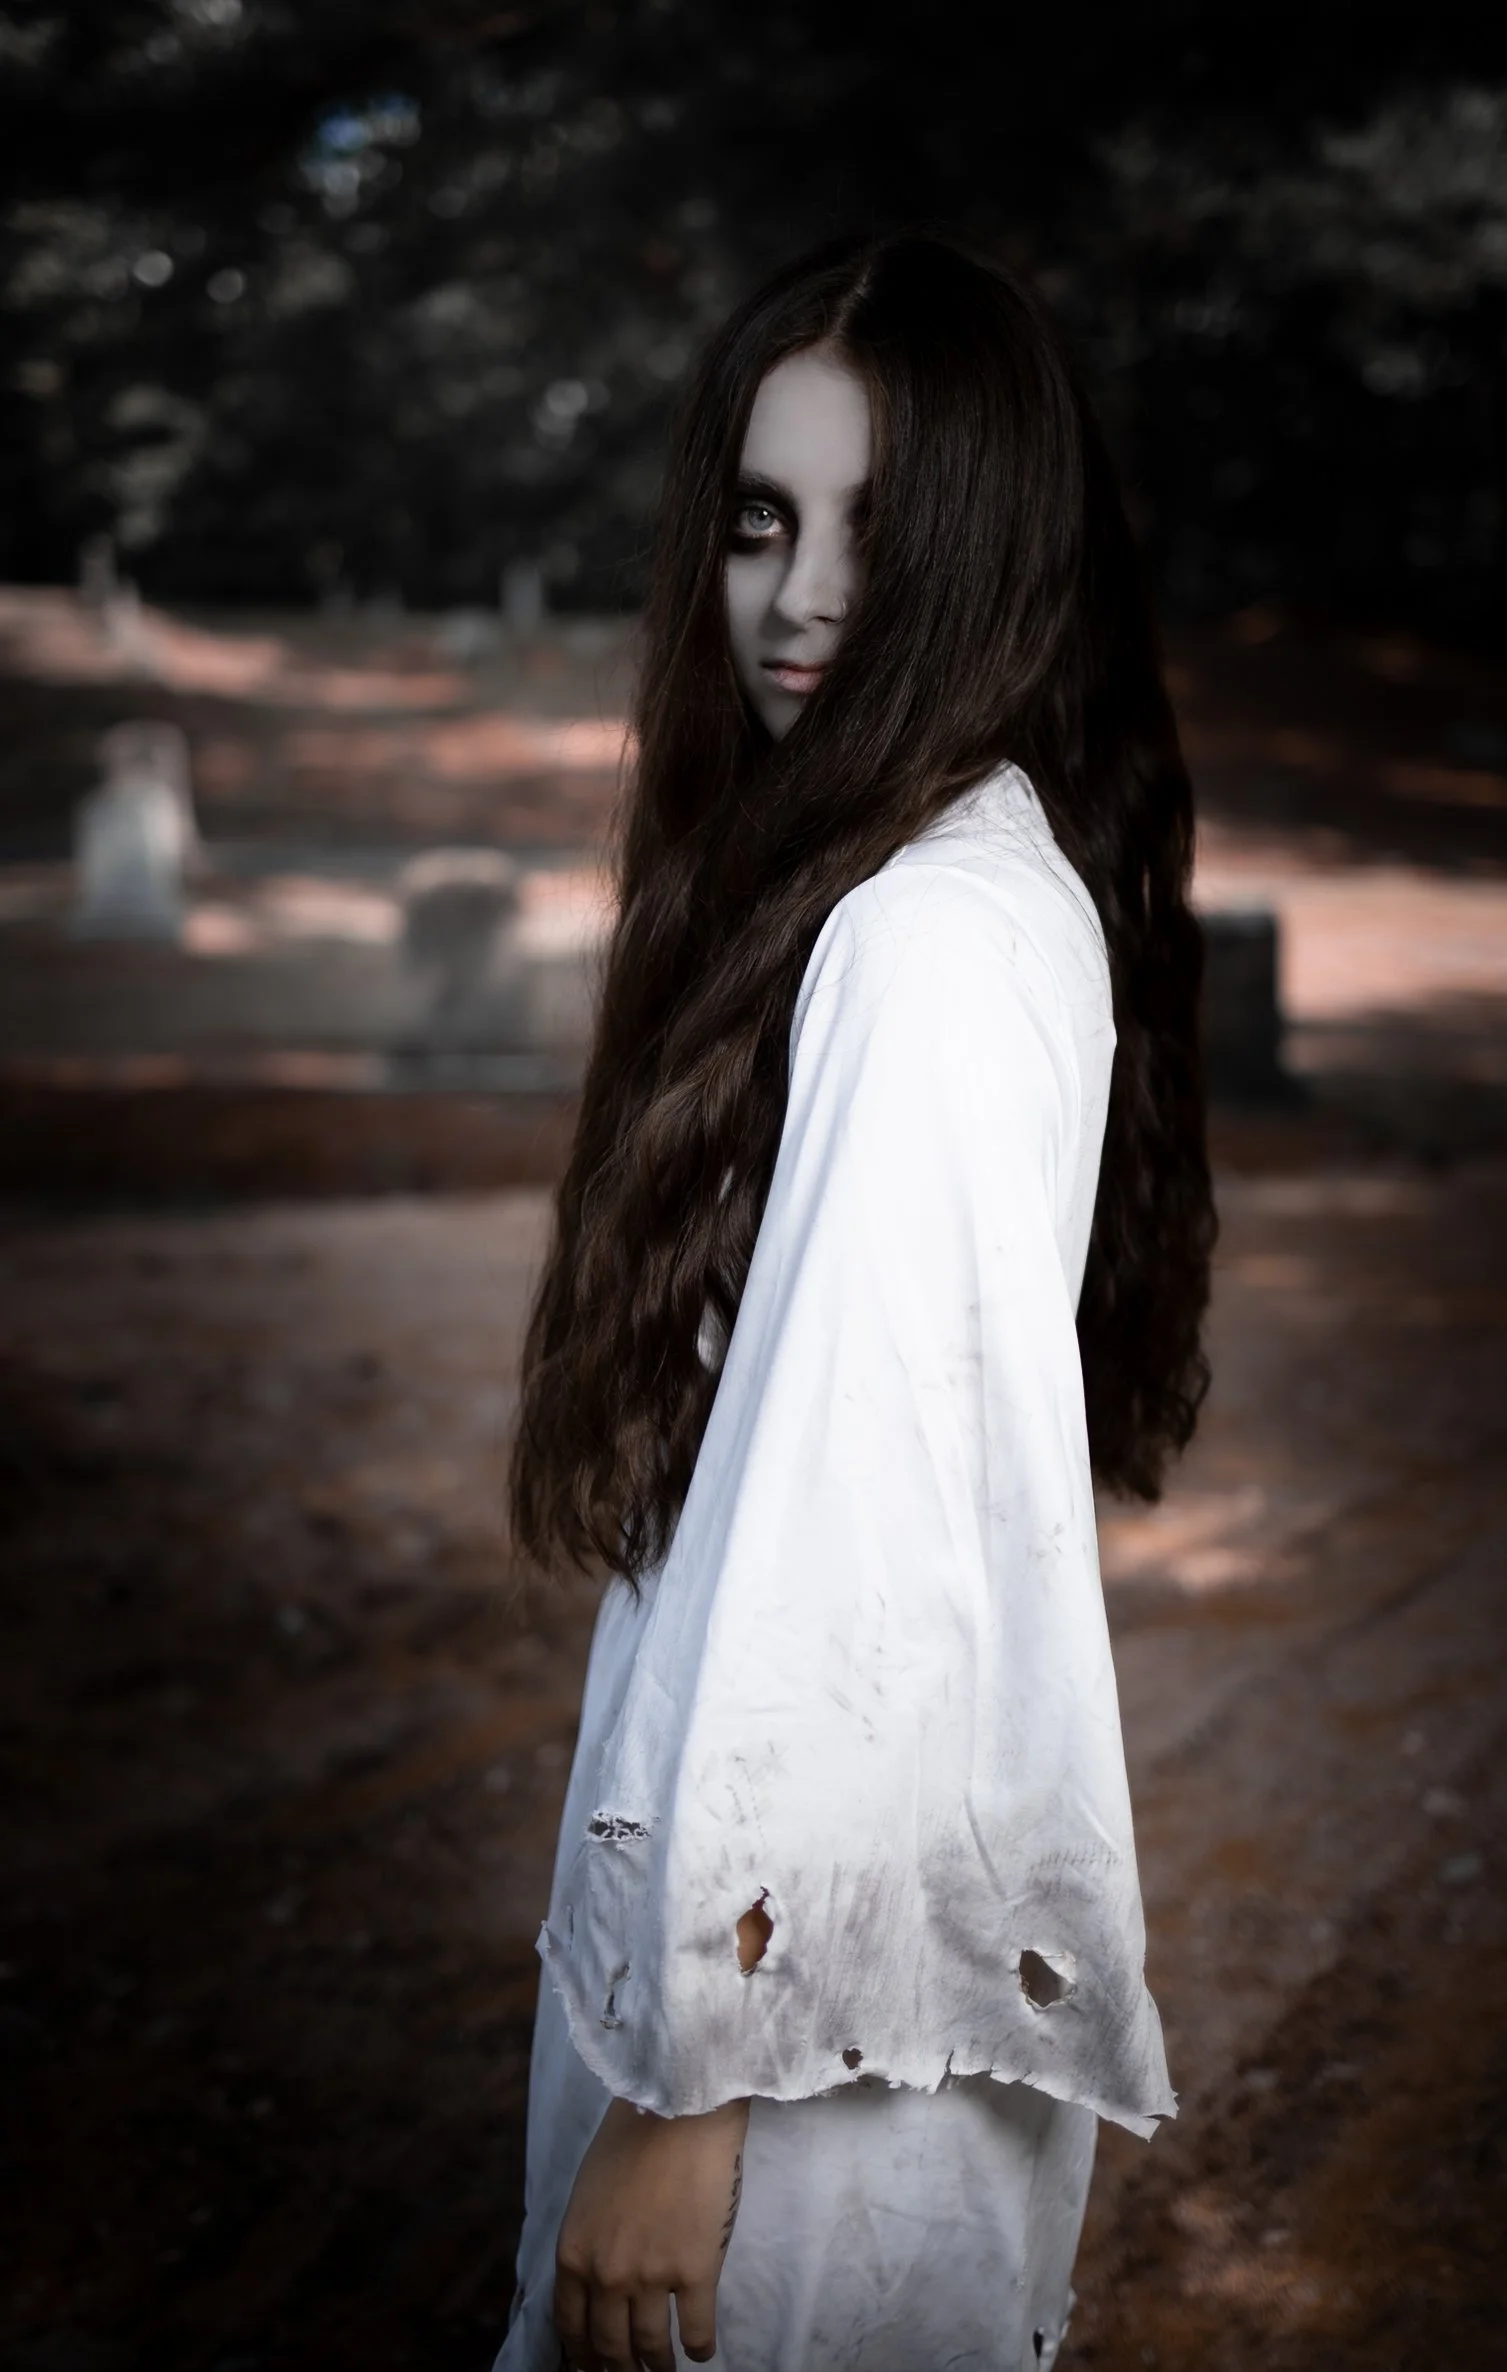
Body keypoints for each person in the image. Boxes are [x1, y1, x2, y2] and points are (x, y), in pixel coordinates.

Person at [496, 233, 1215, 2372]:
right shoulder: (921, 880)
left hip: (795, 2057)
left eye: (876, 533)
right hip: (818, 1970)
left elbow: (864, 1550)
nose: (800, 597)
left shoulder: (926, 933)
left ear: (996, 557)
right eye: (760, 520)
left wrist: (687, 2086)